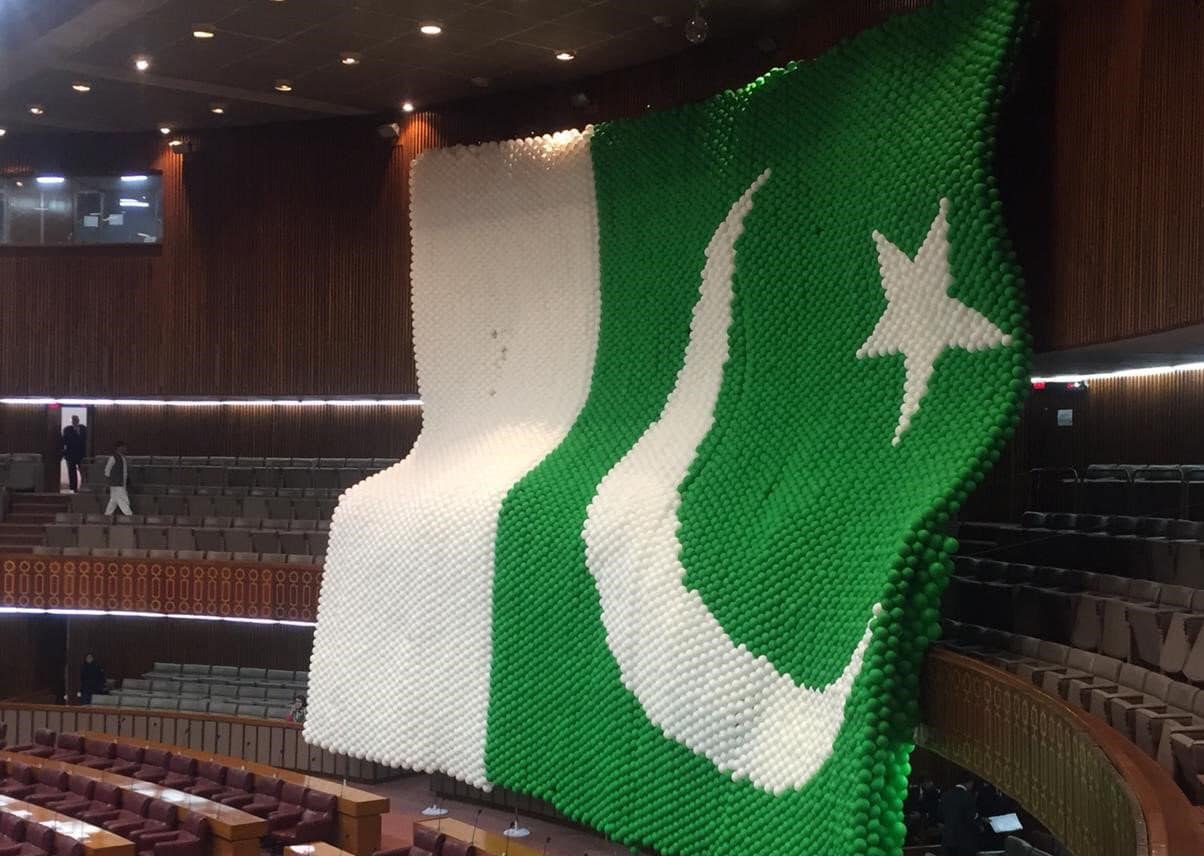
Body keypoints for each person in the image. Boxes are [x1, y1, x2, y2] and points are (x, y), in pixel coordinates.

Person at [939, 776, 980, 856]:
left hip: (948, 839)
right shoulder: (968, 796)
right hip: (964, 841)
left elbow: (940, 815)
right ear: (969, 782)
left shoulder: (945, 795)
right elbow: (970, 817)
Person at [104, 441, 133, 517]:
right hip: (116, 484)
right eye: (124, 447)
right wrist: (108, 482)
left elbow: (124, 472)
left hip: (121, 483)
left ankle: (107, 515)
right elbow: (107, 470)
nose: (125, 448)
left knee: (113, 501)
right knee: (124, 500)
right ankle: (129, 516)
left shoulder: (123, 458)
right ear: (119, 448)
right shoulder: (113, 458)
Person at [61, 415, 87, 492]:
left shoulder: (83, 428)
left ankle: (84, 486)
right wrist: (63, 453)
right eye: (73, 420)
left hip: (82, 454)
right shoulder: (67, 429)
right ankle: (73, 488)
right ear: (71, 421)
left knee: (84, 472)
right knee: (72, 472)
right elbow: (64, 441)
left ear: (78, 420)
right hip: (70, 454)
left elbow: (87, 440)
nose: (75, 421)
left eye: (76, 419)